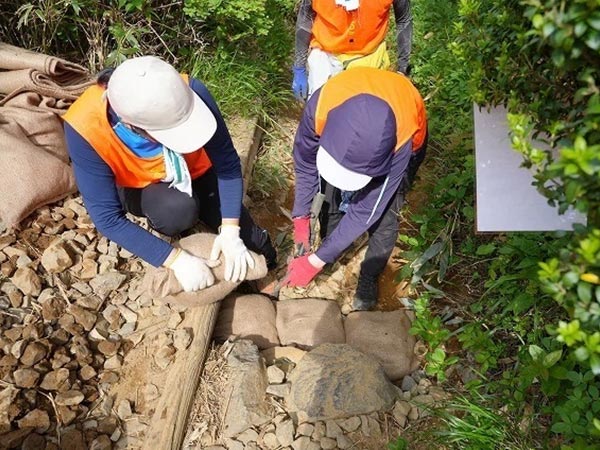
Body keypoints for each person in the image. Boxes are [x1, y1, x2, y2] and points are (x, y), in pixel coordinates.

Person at [63, 56, 276, 292]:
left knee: (255, 243)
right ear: (131, 125)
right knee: (176, 211)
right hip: (143, 187)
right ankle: (183, 225)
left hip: (198, 170)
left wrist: (231, 231)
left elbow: (226, 163)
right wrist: (175, 260)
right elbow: (107, 218)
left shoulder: (187, 91)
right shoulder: (85, 126)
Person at [285, 66, 427, 311]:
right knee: (330, 193)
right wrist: (301, 216)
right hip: (348, 115)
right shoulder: (320, 108)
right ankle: (333, 244)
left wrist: (314, 262)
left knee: (386, 215)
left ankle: (369, 274)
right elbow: (306, 164)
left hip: (404, 131)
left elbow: (367, 210)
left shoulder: (401, 141)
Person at [292, 0, 412, 100]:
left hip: (369, 58)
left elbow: (404, 20)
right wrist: (299, 67)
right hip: (325, 56)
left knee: (364, 115)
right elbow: (305, 18)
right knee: (320, 112)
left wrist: (402, 69)